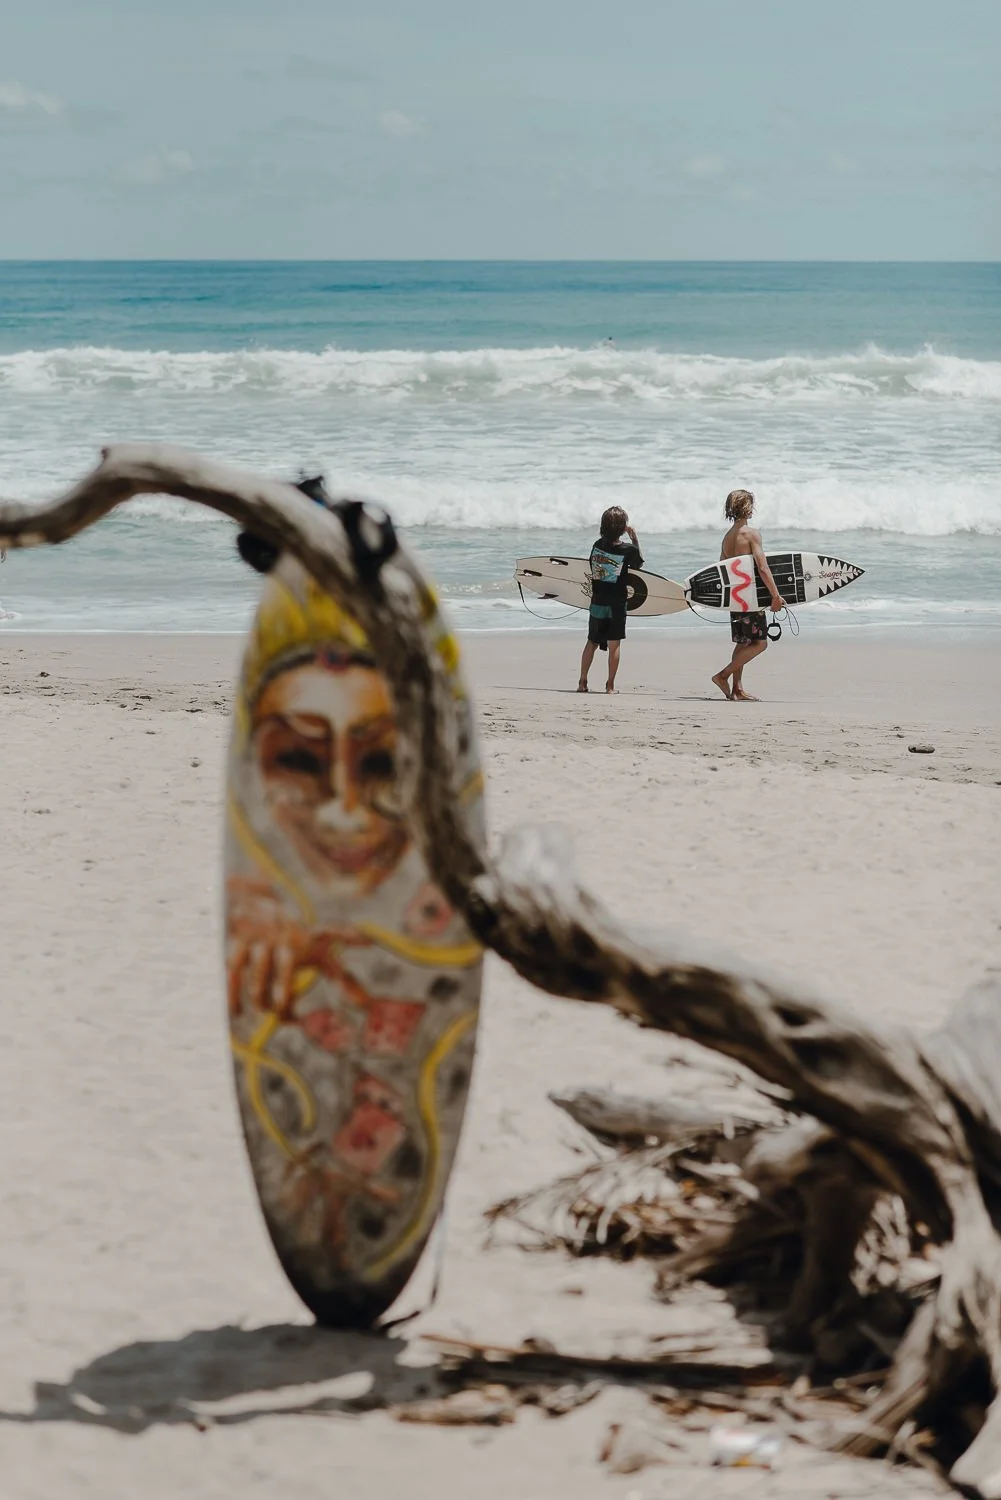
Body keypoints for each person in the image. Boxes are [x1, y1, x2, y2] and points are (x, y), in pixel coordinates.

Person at [711, 489, 785, 702]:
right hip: (750, 598)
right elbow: (762, 567)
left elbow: (722, 570)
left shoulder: (727, 538)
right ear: (748, 507)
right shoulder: (751, 534)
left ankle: (738, 688)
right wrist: (775, 596)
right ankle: (722, 676)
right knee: (760, 643)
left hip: (735, 598)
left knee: (743, 642)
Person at [578, 506, 643, 693]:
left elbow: (591, 566)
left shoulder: (597, 545)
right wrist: (634, 538)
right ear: (623, 528)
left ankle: (582, 682)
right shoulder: (628, 549)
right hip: (617, 604)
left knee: (592, 641)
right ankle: (610, 686)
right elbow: (638, 564)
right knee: (615, 642)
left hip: (597, 601)